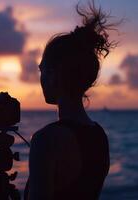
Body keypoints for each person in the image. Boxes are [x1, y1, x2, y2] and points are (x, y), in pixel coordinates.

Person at [26, 2, 119, 200]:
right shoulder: (99, 135)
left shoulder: (46, 140)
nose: (40, 79)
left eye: (42, 70)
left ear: (53, 75)